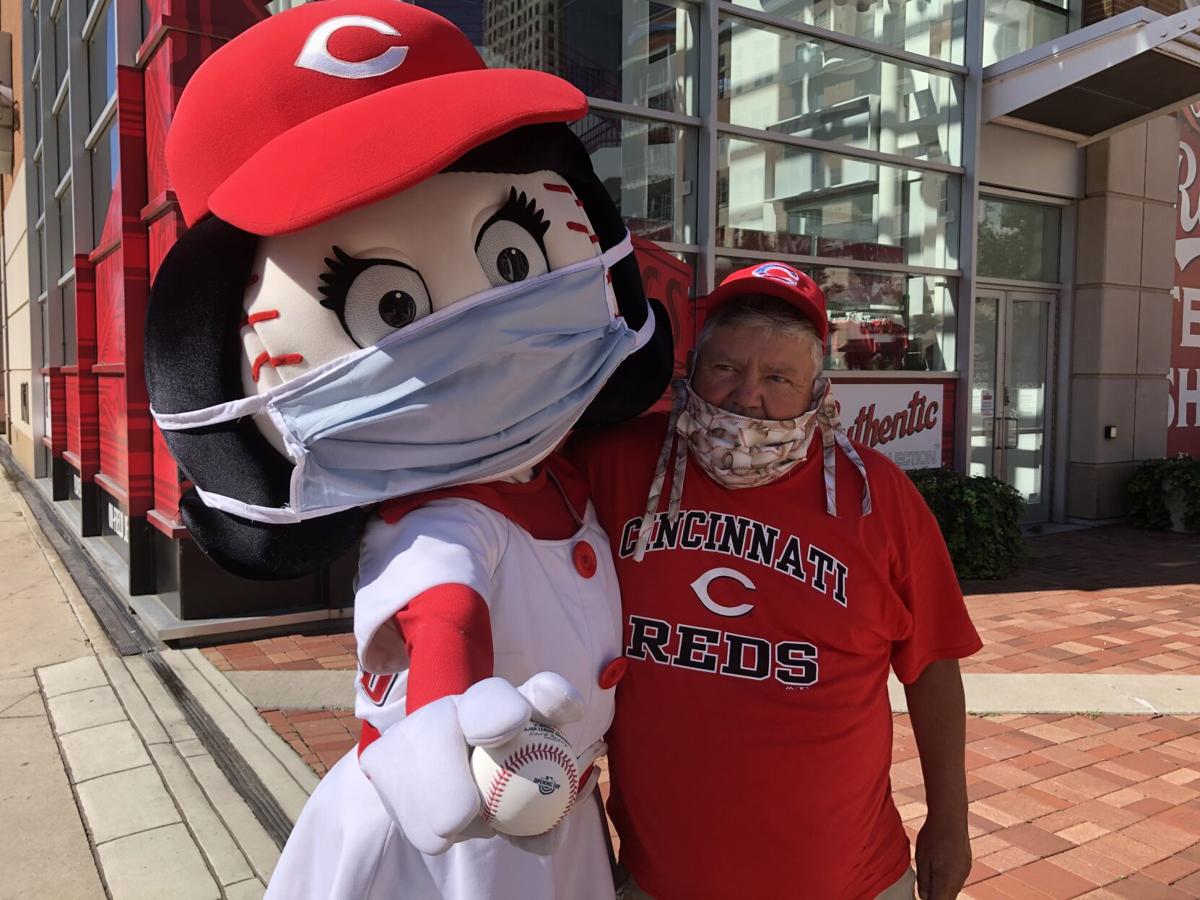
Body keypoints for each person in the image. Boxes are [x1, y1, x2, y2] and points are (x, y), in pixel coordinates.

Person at [142, 3, 673, 897]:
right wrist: (441, 719)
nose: (482, 326)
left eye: (510, 262)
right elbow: (442, 616)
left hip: (555, 817)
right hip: (450, 845)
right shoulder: (441, 522)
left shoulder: (567, 473)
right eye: (389, 306)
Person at [569, 261, 982, 900]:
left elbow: (933, 666)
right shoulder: (616, 466)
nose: (745, 396)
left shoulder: (878, 497)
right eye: (726, 368)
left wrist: (950, 824)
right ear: (693, 367)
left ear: (819, 392)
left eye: (778, 377)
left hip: (849, 881)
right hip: (662, 880)